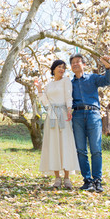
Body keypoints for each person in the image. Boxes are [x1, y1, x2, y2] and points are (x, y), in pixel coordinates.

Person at [70, 53, 110, 193]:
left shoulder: (93, 78)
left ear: (84, 64)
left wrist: (107, 65)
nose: (75, 64)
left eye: (78, 62)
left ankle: (97, 181)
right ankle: (87, 181)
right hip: (77, 115)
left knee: (96, 149)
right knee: (81, 150)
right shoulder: (69, 84)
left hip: (93, 114)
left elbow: (108, 80)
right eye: (73, 63)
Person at [34, 60, 80, 189]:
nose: (62, 69)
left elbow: (68, 96)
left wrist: (69, 109)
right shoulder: (48, 85)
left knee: (65, 143)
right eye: (59, 67)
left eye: (63, 67)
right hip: (51, 116)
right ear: (53, 68)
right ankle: (57, 178)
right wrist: (39, 90)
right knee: (53, 144)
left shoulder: (66, 81)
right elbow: (45, 102)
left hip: (64, 114)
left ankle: (67, 178)